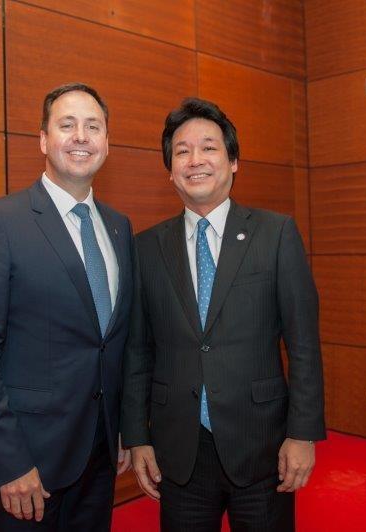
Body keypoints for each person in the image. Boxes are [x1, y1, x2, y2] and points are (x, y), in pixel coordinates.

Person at [121, 97, 325, 531]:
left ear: (233, 161)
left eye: (209, 148)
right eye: (182, 151)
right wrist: (137, 436)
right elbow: (138, 351)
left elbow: (303, 343)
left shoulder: (276, 234)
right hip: (180, 452)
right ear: (169, 170)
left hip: (263, 447)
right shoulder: (146, 249)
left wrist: (302, 433)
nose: (196, 160)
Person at [0, 82, 133, 531]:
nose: (81, 136)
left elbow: (114, 342)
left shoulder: (118, 227)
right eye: (66, 125)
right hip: (28, 464)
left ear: (107, 142)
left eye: (93, 126)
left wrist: (124, 429)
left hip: (100, 455)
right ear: (43, 140)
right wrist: (6, 462)